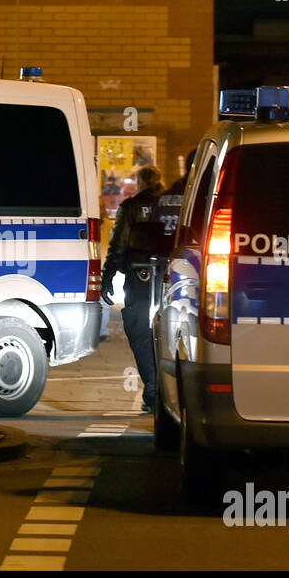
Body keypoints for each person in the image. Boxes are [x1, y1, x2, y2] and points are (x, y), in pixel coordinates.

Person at [103, 164, 167, 412]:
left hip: (139, 281)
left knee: (140, 333)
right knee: (167, 334)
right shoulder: (170, 206)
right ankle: (165, 389)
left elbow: (118, 245)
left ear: (140, 183)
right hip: (168, 279)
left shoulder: (129, 208)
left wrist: (108, 277)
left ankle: (152, 388)